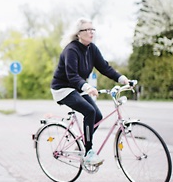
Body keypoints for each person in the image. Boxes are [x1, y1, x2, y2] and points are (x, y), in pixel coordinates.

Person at [50, 17, 129, 165]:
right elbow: (72, 76)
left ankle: (82, 144)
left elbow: (105, 67)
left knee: (97, 116)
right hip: (63, 88)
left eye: (92, 29)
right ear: (78, 33)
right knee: (89, 111)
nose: (91, 33)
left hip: (78, 88)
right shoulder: (71, 50)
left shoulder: (92, 49)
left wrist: (122, 78)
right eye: (87, 30)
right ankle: (88, 152)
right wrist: (87, 87)